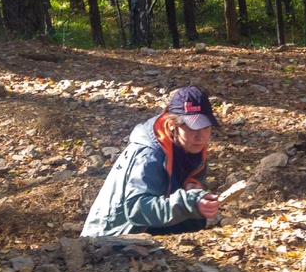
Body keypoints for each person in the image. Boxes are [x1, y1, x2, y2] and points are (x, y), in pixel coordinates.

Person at [82, 86, 223, 237]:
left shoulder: (192, 145)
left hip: (152, 229)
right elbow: (136, 209)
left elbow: (194, 180)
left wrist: (195, 187)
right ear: (172, 125)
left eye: (205, 127)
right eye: (192, 128)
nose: (200, 136)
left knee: (194, 218)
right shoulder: (149, 154)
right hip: (114, 236)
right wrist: (189, 202)